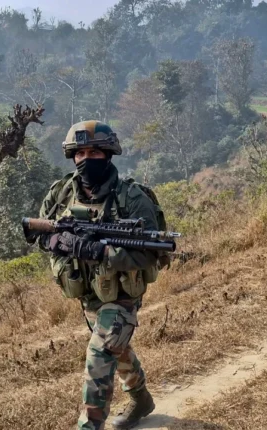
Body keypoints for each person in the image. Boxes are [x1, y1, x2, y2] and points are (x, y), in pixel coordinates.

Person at [37, 121, 159, 430]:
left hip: (122, 293)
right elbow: (42, 232)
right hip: (88, 292)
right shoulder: (61, 192)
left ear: (108, 154)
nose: (86, 159)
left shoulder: (132, 197)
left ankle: (89, 426)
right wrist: (59, 242)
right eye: (80, 153)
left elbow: (150, 252)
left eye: (94, 152)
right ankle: (141, 399)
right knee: (116, 348)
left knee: (100, 352)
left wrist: (101, 251)